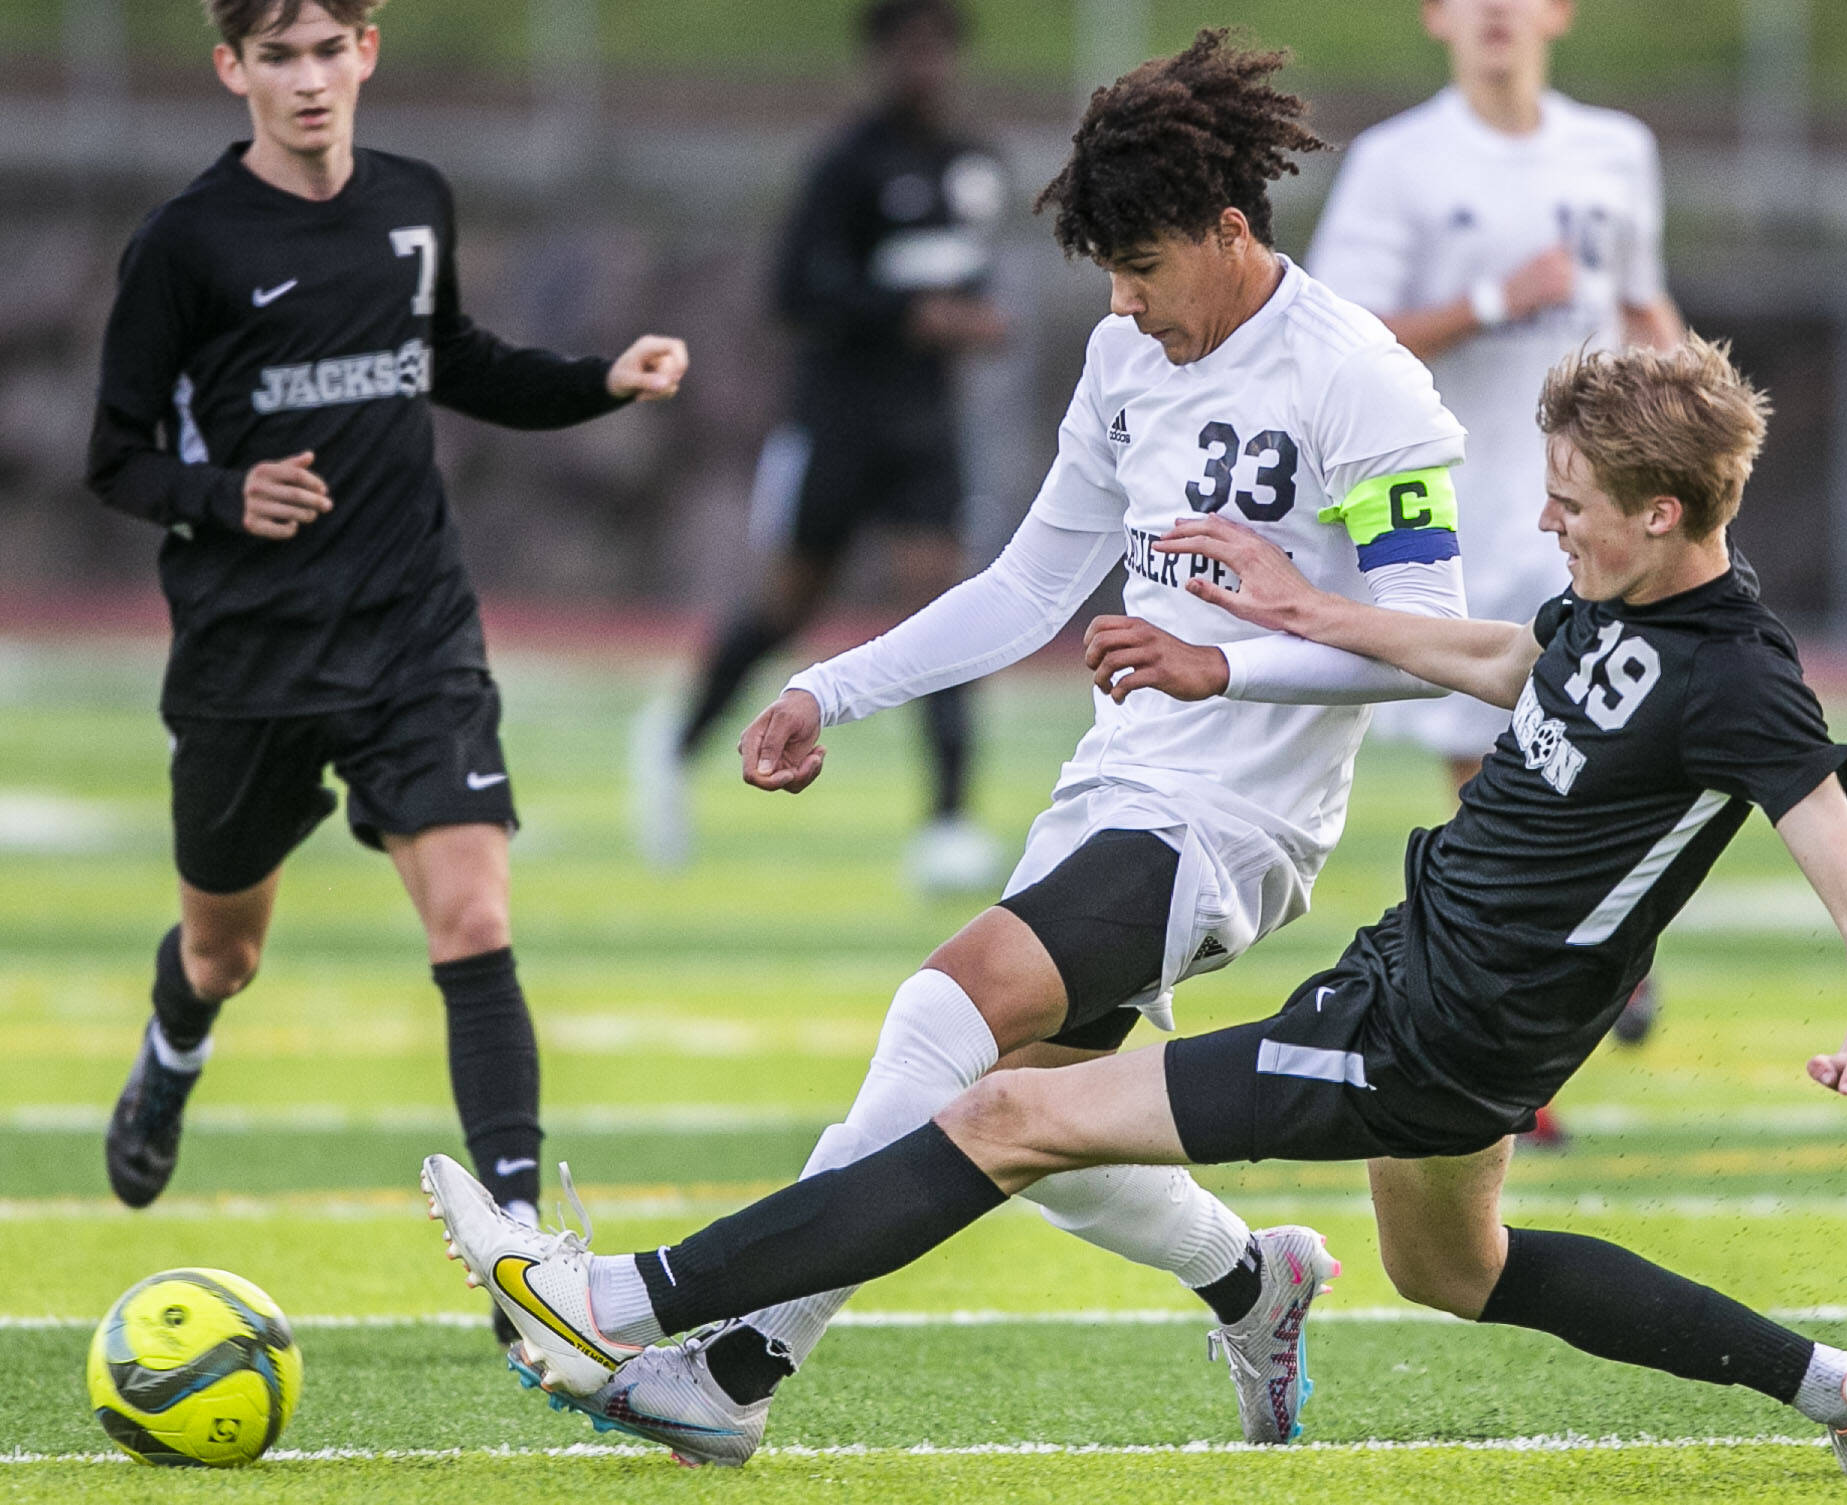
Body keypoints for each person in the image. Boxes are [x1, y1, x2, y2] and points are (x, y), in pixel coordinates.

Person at [426, 336, 1847, 1476]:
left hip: (1421, 1033)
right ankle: (1845, 1391)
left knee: (1005, 1111)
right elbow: (1507, 661)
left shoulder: (1743, 685)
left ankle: (622, 1302)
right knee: (1456, 1271)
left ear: (1673, 510)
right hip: (1439, 1006)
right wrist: (1289, 617)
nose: (1551, 525)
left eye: (1575, 506)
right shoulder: (1621, 601)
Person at [447, 29, 1471, 1463]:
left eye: (1147, 268)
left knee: (945, 1011)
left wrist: (1216, 657)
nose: (1124, 303)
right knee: (1027, 1125)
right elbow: (1028, 585)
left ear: (1233, 231)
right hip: (1112, 792)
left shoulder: (1362, 379)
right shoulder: (1126, 355)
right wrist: (831, 688)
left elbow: (1438, 638)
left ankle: (654, 1320)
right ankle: (1253, 1276)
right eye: (1106, 274)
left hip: (1234, 830)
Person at [87, 0, 688, 1342]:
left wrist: (603, 379)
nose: (308, 82)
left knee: (472, 916)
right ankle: (175, 1044)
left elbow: (452, 358)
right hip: (251, 651)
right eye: (277, 56)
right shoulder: (186, 243)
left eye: (328, 49)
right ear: (231, 67)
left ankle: (524, 1255)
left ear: (369, 49)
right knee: (223, 948)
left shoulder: (415, 200)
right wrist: (225, 493)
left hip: (414, 624)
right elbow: (116, 454)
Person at [1306, 0, 1687, 1079]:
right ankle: (1539, 1035)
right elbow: (1342, 340)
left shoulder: (1613, 152)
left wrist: (1697, 411)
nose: (1493, 15)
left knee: (1611, 763)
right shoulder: (1398, 162)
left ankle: (1599, 954)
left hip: (1603, 520)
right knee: (1504, 793)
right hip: (1461, 521)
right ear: (1435, 17)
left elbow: (1638, 308)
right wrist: (1487, 298)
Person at [634, 0, 1011, 892]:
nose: (926, 66)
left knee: (943, 608)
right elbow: (796, 289)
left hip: (926, 427)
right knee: (789, 605)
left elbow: (968, 278)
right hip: (842, 420)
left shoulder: (971, 163)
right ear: (880, 57)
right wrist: (909, 316)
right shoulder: (846, 164)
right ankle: (675, 745)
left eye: (939, 48)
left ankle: (948, 822)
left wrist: (976, 319)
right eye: (908, 48)